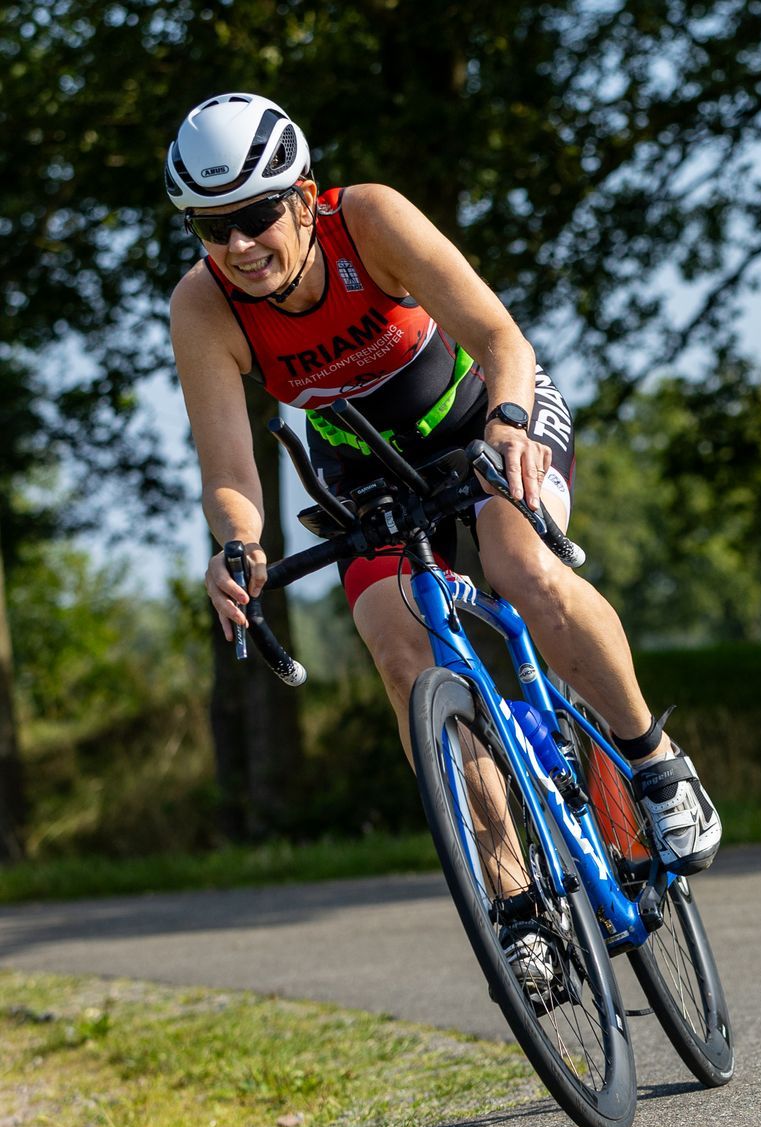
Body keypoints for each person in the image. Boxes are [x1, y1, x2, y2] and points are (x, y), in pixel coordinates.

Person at [166, 92, 722, 888]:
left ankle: (655, 763)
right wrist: (236, 543)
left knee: (519, 567)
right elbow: (229, 471)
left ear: (301, 194)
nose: (240, 244)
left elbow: (502, 339)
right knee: (403, 657)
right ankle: (515, 899)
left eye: (255, 214)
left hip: (482, 417)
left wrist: (506, 424)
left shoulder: (369, 221)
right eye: (212, 227)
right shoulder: (203, 305)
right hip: (366, 478)